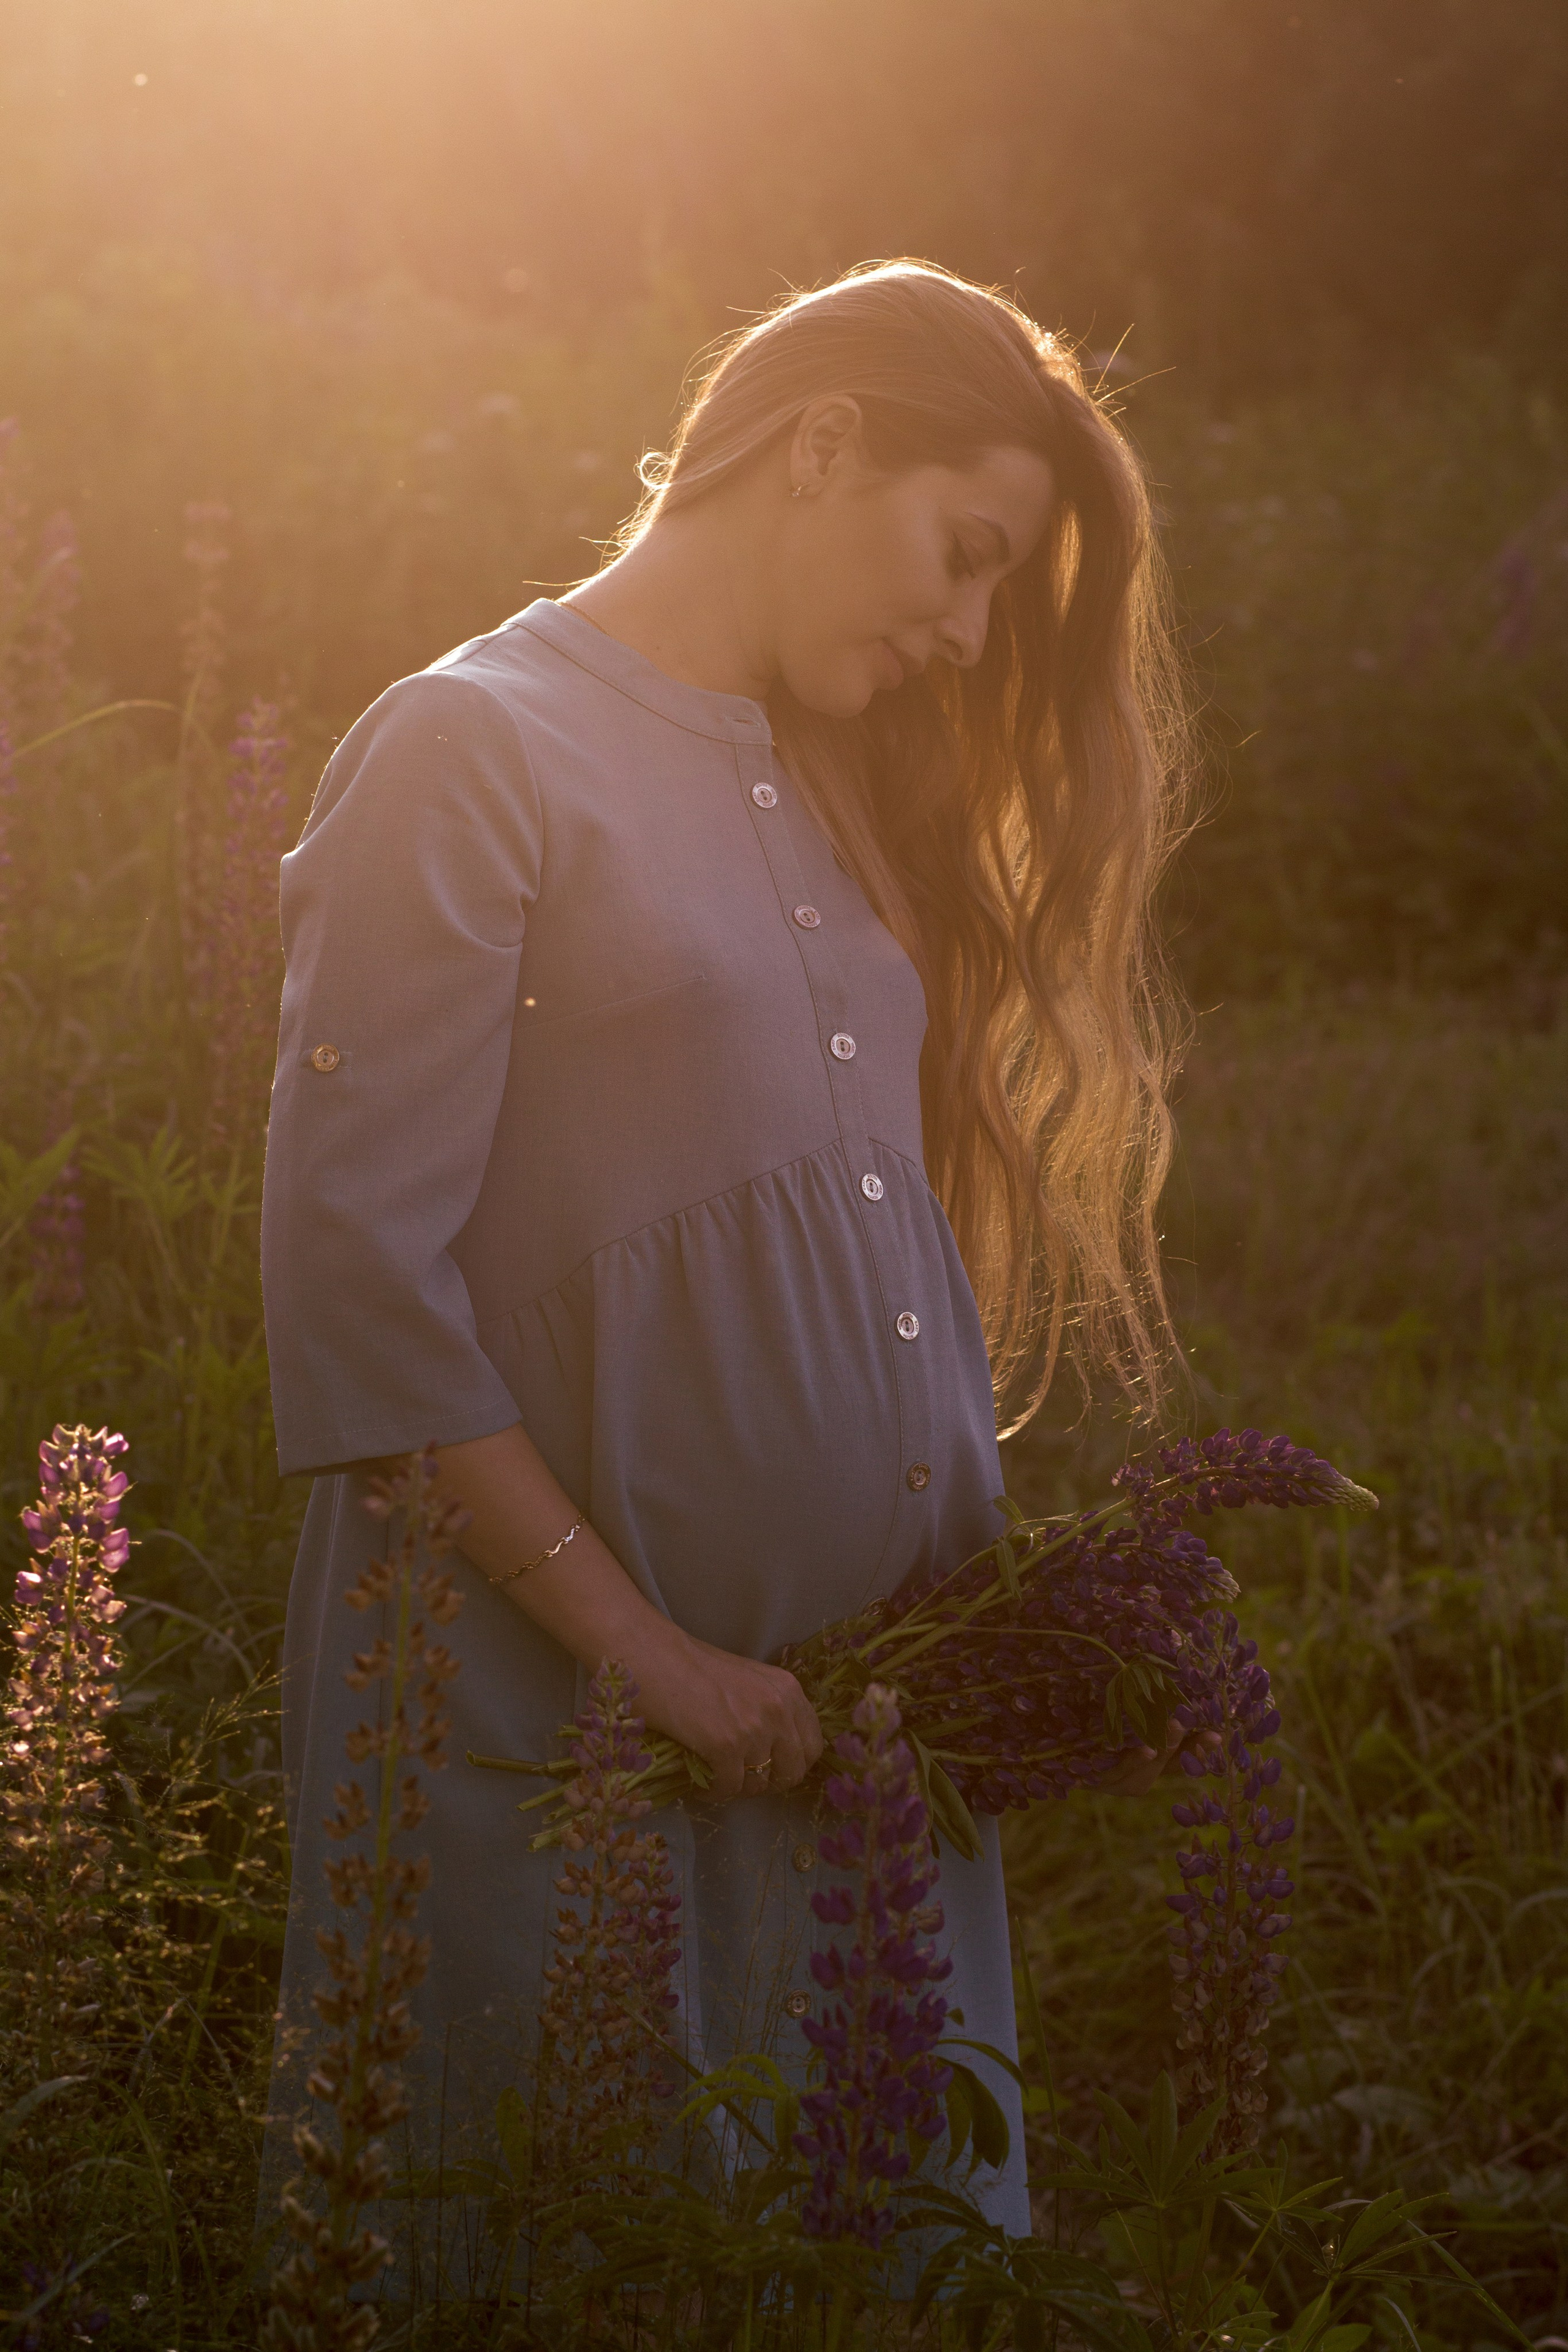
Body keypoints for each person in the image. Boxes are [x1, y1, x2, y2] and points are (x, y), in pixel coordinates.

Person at [258, 258, 1190, 2290]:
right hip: (569, 1731)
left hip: (852, 1761)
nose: (967, 634)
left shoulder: (833, 771)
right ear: (824, 444)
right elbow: (354, 1289)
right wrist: (655, 1669)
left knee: (849, 2268)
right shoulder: (470, 748)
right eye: (965, 557)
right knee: (572, 2255)